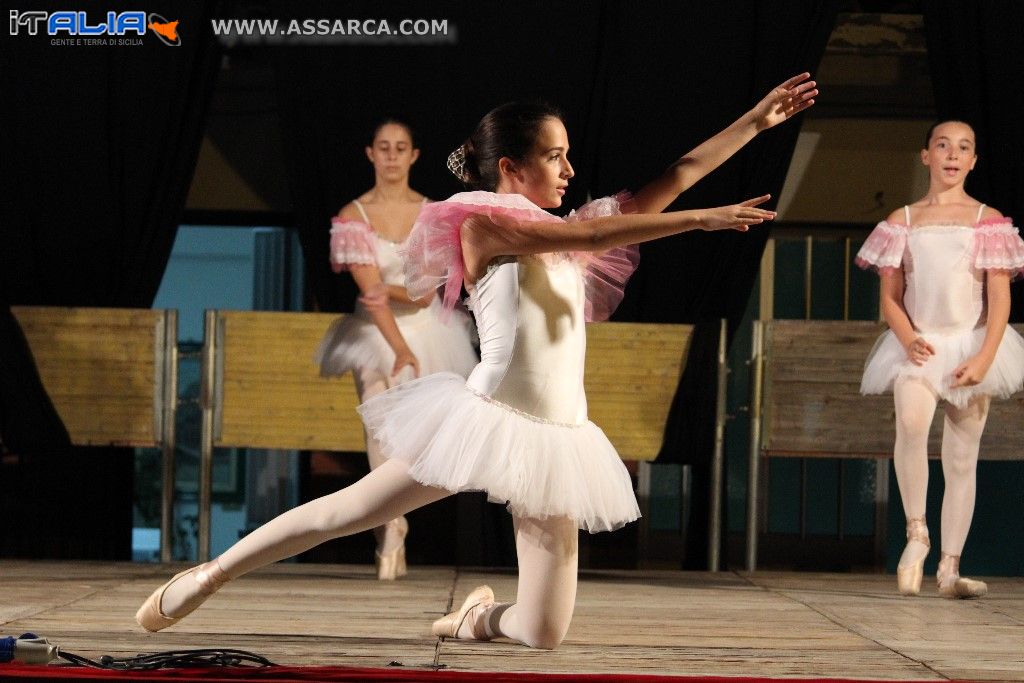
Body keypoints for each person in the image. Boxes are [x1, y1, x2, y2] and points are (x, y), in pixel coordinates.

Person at [137, 73, 815, 648]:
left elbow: (678, 175)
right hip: (485, 415)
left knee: (544, 632)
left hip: (557, 435)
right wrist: (696, 221)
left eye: (568, 156)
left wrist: (755, 123)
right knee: (348, 511)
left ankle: (475, 619)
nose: (569, 170)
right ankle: (210, 574)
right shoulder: (481, 223)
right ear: (511, 167)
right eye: (555, 157)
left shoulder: (566, 234)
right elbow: (596, 234)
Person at [856, 120, 1024, 598]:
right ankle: (917, 533)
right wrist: (909, 338)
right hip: (920, 344)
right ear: (926, 155)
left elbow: (999, 299)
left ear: (973, 161)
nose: (953, 154)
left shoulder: (987, 220)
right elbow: (891, 299)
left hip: (969, 345)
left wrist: (985, 357)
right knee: (911, 424)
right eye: (943, 145)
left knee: (962, 457)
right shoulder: (902, 220)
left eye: (963, 147)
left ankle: (950, 569)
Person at [315, 119, 477, 580]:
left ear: (413, 155)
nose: (391, 156)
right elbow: (372, 295)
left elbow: (424, 295)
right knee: (377, 424)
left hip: (429, 329)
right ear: (370, 153)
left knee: (412, 437)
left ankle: (394, 512)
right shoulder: (353, 215)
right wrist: (399, 346)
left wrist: (391, 291)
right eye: (383, 147)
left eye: (400, 147)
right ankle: (389, 526)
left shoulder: (431, 213)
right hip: (374, 332)